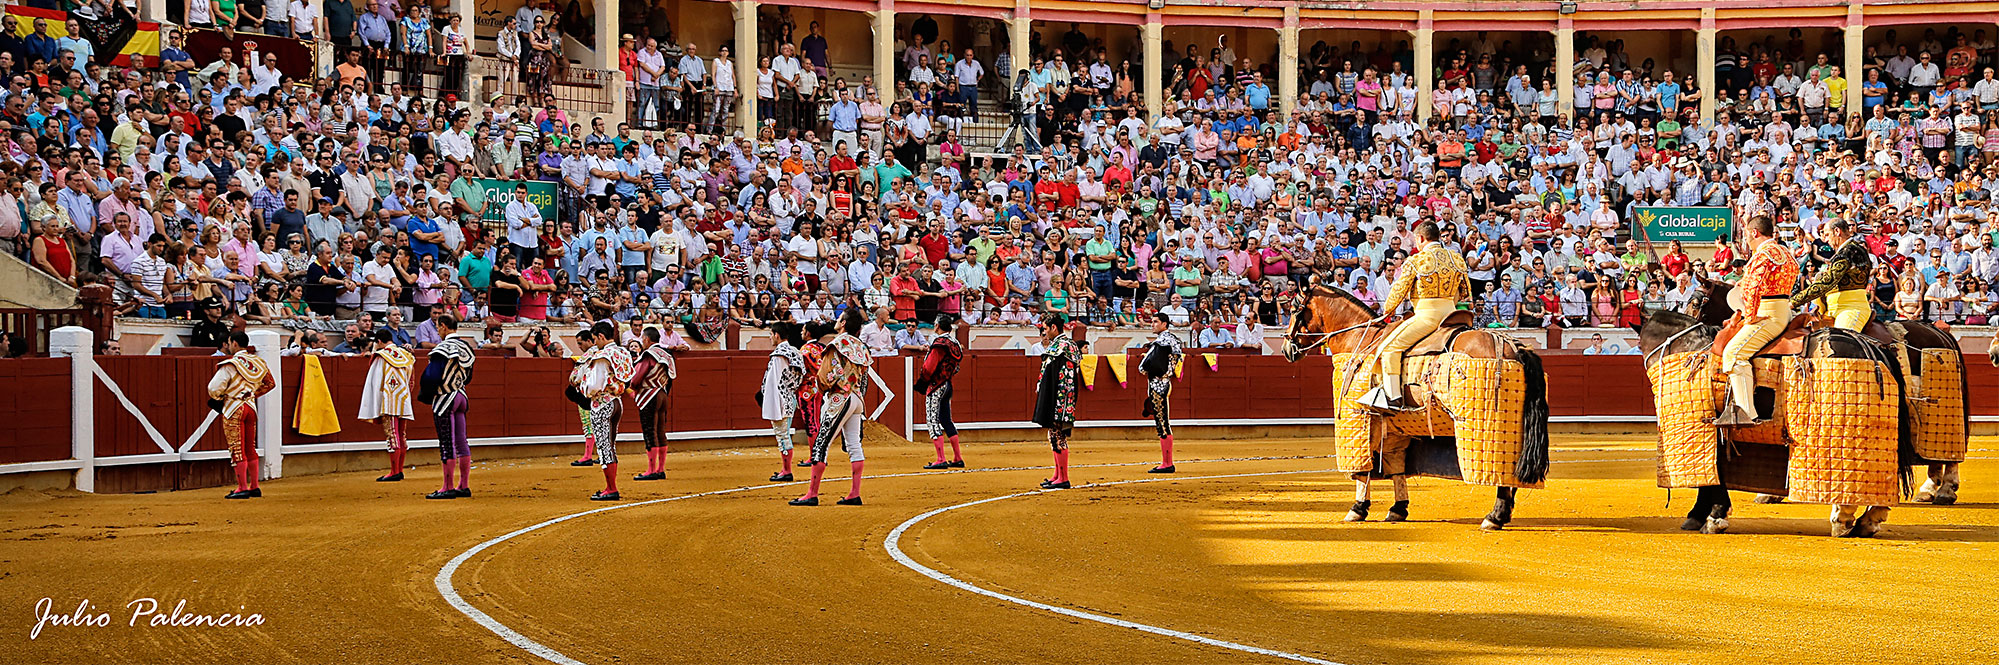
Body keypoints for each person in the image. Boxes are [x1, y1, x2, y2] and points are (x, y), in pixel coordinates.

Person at [1362, 221, 1470, 411]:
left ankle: (1392, 398)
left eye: (1416, 241)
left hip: (1428, 317)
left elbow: (1397, 293)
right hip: (1453, 315)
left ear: (1420, 238)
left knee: (1389, 348)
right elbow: (1466, 292)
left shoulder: (1416, 260)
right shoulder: (1457, 259)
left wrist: (1387, 310)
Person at [1715, 215, 1799, 426]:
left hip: (1768, 314)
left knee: (1733, 354)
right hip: (1784, 311)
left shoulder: (1763, 255)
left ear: (1754, 232)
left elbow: (1753, 288)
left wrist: (1750, 316)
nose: (1746, 239)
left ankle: (1745, 413)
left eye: (1746, 234)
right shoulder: (1786, 253)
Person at [791, 309, 871, 506]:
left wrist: (822, 387)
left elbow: (828, 375)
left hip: (839, 399)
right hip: (857, 398)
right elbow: (865, 378)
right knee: (854, 445)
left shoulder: (836, 345)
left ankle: (812, 494)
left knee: (821, 444)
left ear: (843, 323)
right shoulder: (861, 346)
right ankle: (854, 493)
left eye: (840, 318)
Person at [206, 332, 274, 499]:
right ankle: (255, 487)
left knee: (237, 447)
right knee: (250, 447)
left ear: (234, 343)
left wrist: (220, 398)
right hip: (250, 408)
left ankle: (242, 487)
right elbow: (270, 383)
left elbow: (214, 388)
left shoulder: (230, 364)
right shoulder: (258, 362)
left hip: (233, 408)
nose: (228, 346)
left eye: (229, 343)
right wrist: (250, 395)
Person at [418, 315, 476, 499]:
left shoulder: (442, 349)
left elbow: (431, 376)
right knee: (461, 441)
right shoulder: (466, 347)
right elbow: (469, 376)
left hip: (445, 398)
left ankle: (447, 486)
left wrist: (426, 395)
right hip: (461, 395)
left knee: (446, 442)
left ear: (444, 326)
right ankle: (463, 485)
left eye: (438, 327)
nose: (437, 331)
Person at [580, 321, 636, 500]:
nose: (595, 343)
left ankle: (611, 488)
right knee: (610, 445)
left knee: (604, 446)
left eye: (596, 339)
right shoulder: (622, 352)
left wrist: (584, 388)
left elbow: (594, 385)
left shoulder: (602, 356)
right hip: (617, 402)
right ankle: (610, 486)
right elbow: (628, 377)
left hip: (601, 404)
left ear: (601, 337)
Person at [1030, 313, 1083, 490]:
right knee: (1053, 435)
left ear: (1054, 328)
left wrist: (1054, 398)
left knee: (1057, 435)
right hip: (1062, 396)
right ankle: (1057, 474)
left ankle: (1063, 477)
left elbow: (1061, 375)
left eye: (1045, 329)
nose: (1044, 333)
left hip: (1059, 397)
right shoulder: (1066, 345)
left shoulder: (1062, 345)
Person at [1791, 218, 1873, 331]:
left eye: (1827, 234)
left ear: (1837, 231)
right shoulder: (1846, 251)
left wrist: (1794, 301)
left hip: (1851, 309)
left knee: (1842, 342)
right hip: (1832, 310)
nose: (1825, 240)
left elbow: (1827, 282)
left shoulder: (1849, 251)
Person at [358, 328, 415, 482]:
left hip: (388, 401)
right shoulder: (406, 355)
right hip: (403, 399)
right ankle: (399, 470)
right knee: (401, 435)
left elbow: (375, 382)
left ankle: (394, 471)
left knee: (392, 436)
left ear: (380, 341)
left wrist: (376, 404)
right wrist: (405, 397)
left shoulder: (381, 357)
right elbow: (411, 381)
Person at [627, 325, 677, 482]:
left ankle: (651, 470)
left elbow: (636, 377)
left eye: (642, 339)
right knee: (660, 430)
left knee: (650, 431)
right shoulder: (666, 354)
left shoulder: (648, 355)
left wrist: (631, 388)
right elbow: (671, 378)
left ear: (647, 339)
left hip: (649, 395)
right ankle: (660, 469)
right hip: (662, 394)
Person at [916, 313, 965, 470]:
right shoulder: (955, 343)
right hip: (947, 384)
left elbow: (929, 367)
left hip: (936, 385)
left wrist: (923, 382)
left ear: (937, 326)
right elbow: (956, 367)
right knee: (946, 420)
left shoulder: (939, 343)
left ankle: (941, 458)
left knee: (932, 420)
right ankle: (957, 457)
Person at [760, 321, 806, 481]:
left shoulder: (779, 355)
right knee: (784, 434)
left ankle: (787, 471)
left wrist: (771, 403)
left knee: (782, 435)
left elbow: (774, 382)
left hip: (780, 399)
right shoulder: (794, 351)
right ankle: (785, 469)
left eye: (771, 334)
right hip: (790, 397)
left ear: (777, 335)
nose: (770, 338)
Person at [1139, 311, 1185, 473]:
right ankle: (1166, 461)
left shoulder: (1162, 341)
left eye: (1155, 322)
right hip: (1164, 382)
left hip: (1159, 384)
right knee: (1162, 421)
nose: (1153, 324)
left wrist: (1145, 366)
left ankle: (1167, 463)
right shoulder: (1171, 340)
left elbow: (1149, 365)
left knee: (1162, 422)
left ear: (1165, 324)